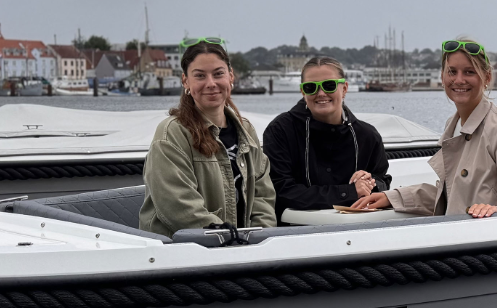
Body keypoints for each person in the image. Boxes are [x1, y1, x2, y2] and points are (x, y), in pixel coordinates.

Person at [352, 37, 497, 218]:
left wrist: (496, 211)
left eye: (469, 72)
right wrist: (392, 197)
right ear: (442, 76)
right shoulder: (452, 127)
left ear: (486, 78)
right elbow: (450, 197)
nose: (459, 80)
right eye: (452, 71)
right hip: (456, 236)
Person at [139, 38, 277, 236]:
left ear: (231, 76)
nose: (211, 83)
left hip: (241, 248)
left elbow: (262, 196)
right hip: (182, 248)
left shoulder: (246, 130)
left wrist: (259, 238)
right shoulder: (171, 134)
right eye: (200, 76)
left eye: (218, 74)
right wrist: (228, 238)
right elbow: (178, 205)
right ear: (185, 81)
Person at [263, 57, 390, 222]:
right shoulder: (280, 131)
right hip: (295, 229)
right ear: (303, 92)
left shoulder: (368, 136)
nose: (321, 93)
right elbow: (281, 191)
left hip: (356, 229)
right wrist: (350, 192)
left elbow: (382, 181)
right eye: (311, 87)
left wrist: (370, 183)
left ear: (344, 89)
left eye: (329, 85)